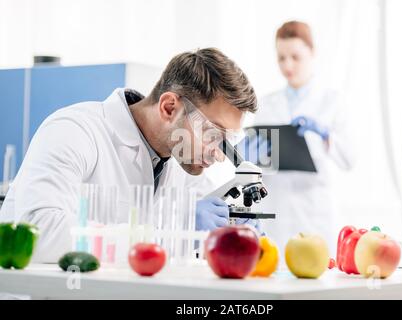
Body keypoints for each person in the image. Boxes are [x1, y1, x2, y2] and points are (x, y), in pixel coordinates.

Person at [0, 48, 258, 262]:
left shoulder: (184, 163)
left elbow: (197, 231)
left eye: (227, 141)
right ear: (169, 108)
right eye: (213, 133)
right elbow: (38, 232)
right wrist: (169, 232)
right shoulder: (74, 130)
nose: (218, 154)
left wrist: (230, 232)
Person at [250, 21, 355, 253]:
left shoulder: (333, 101)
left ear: (312, 52)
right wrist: (250, 160)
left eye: (295, 57)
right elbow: (256, 171)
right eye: (281, 58)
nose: (288, 65)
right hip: (275, 212)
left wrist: (326, 134)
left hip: (314, 214)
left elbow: (349, 160)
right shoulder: (266, 104)